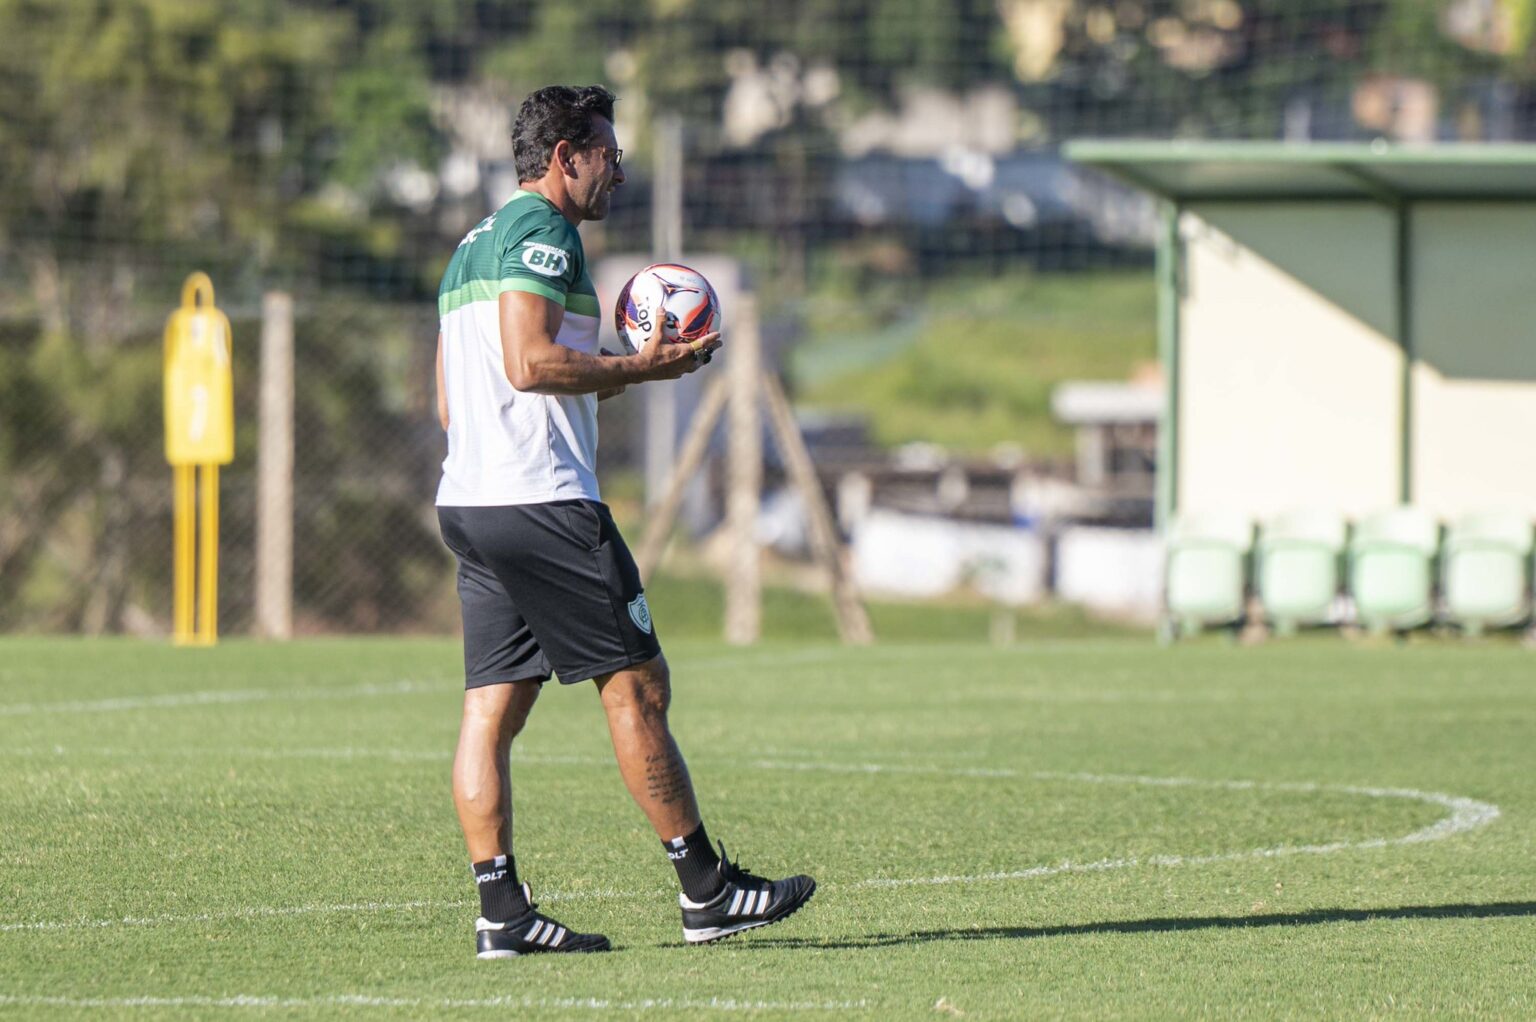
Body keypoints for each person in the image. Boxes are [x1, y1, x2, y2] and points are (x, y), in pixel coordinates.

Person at [433, 84, 815, 958]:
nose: (619, 166)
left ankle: (502, 915)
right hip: (543, 501)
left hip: (472, 499)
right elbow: (530, 366)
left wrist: (634, 369)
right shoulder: (546, 233)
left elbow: (457, 403)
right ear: (565, 157)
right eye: (607, 150)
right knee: (637, 687)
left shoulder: (469, 249)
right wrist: (641, 370)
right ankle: (707, 892)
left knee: (490, 711)